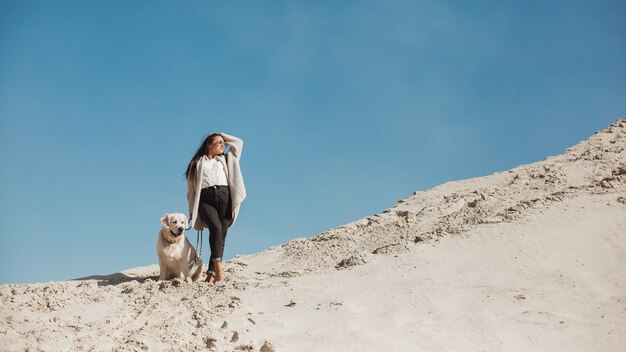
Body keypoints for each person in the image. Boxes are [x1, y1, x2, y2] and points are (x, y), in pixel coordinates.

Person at [185, 133, 246, 283]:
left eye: (223, 143)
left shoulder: (227, 159)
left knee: (221, 234)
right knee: (216, 228)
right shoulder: (197, 163)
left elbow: (239, 142)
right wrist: (192, 209)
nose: (222, 145)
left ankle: (211, 273)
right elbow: (191, 189)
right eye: (218, 142)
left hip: (225, 197)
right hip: (205, 199)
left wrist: (220, 135)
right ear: (208, 145)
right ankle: (218, 267)